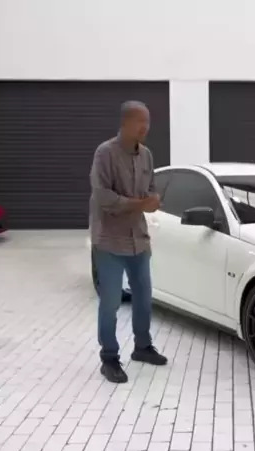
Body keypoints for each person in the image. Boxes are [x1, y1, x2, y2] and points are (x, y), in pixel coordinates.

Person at [89, 100, 167, 383]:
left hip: (138, 240)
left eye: (147, 122)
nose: (145, 127)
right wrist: (140, 203)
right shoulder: (105, 153)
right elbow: (103, 197)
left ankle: (142, 347)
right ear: (124, 123)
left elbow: (151, 191)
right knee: (110, 302)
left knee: (144, 297)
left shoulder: (146, 155)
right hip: (109, 240)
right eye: (139, 121)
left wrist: (153, 201)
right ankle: (109, 358)